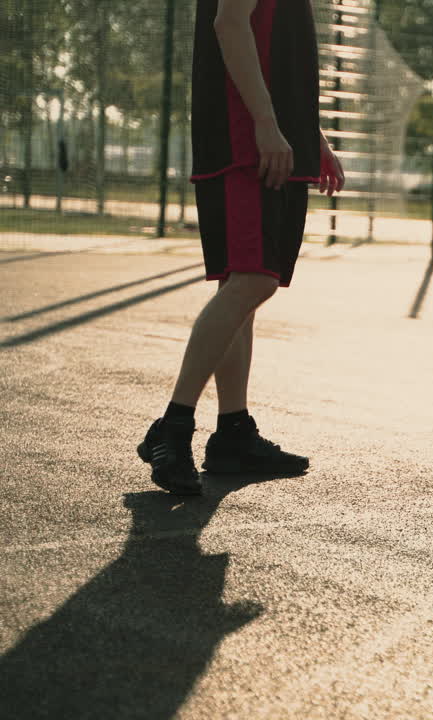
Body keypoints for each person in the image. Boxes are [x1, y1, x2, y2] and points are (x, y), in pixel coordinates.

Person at [138, 0, 345, 495]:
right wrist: (266, 124)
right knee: (253, 280)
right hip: (245, 141)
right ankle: (172, 426)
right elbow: (230, 23)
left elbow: (274, 51)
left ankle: (232, 432)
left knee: (244, 286)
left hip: (269, 136)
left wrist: (308, 133)